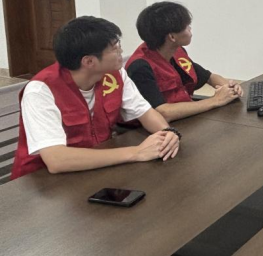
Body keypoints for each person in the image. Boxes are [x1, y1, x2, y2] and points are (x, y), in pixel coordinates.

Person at [11, 16, 180, 180]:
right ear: (89, 62)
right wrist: (136, 152)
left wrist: (167, 134)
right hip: (43, 181)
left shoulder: (115, 75)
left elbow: (145, 112)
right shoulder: (41, 91)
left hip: (97, 167)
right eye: (114, 48)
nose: (121, 52)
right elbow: (56, 160)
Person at [126, 2, 243, 122]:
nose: (190, 29)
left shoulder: (176, 51)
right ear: (172, 37)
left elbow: (209, 77)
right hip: (150, 128)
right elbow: (162, 113)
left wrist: (230, 88)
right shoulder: (140, 67)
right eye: (186, 26)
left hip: (183, 119)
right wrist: (216, 100)